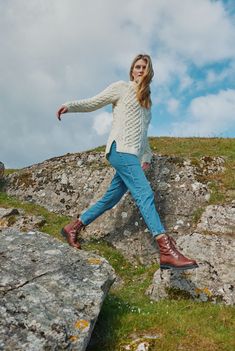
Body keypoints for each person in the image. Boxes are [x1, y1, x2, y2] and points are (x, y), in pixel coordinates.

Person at [56, 54, 198, 270]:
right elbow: (94, 102)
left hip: (131, 154)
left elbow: (142, 136)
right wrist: (70, 105)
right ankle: (166, 250)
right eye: (137, 67)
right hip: (118, 149)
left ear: (149, 72)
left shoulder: (147, 103)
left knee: (110, 199)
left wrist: (147, 156)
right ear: (132, 70)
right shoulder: (121, 87)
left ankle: (73, 227)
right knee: (145, 194)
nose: (140, 70)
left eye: (144, 67)